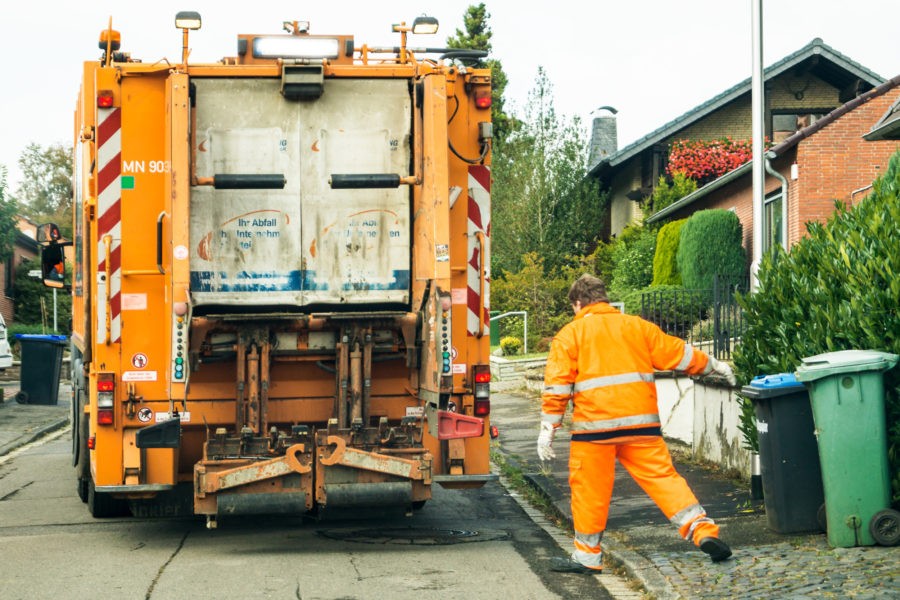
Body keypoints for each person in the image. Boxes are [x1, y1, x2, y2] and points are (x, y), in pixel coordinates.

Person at [538, 274, 735, 575]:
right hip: (641, 429)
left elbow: (558, 386)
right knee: (664, 480)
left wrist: (548, 429)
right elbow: (678, 354)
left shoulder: (570, 334)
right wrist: (716, 366)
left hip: (594, 432)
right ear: (603, 299)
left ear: (578, 303)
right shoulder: (637, 327)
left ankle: (588, 557)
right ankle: (703, 531)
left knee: (589, 491)